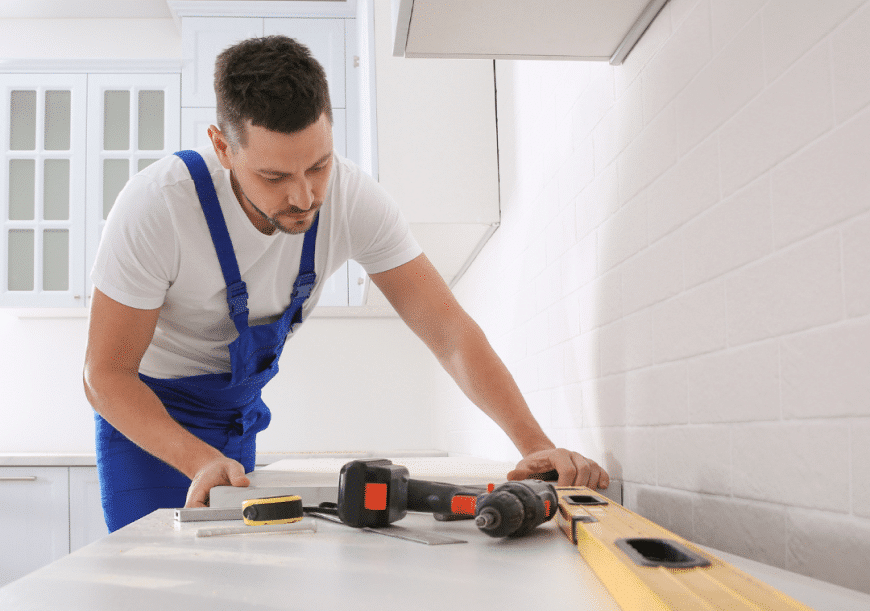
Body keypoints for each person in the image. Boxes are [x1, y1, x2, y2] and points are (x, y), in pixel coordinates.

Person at [83, 35, 608, 532]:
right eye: (273, 177)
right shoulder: (158, 208)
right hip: (145, 419)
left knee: (228, 579)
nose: (305, 196)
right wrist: (195, 457)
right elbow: (105, 375)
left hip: (236, 419)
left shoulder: (355, 201)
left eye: (319, 164)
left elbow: (449, 333)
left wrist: (535, 444)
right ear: (222, 148)